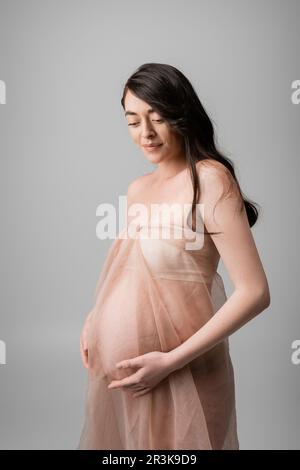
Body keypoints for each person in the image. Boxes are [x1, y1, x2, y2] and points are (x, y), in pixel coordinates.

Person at [77, 63, 270, 450]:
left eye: (158, 118)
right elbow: (130, 273)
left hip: (188, 375)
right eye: (133, 121)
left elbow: (255, 293)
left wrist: (170, 362)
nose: (145, 133)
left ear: (182, 116)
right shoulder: (137, 189)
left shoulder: (210, 179)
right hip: (127, 382)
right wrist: (95, 320)